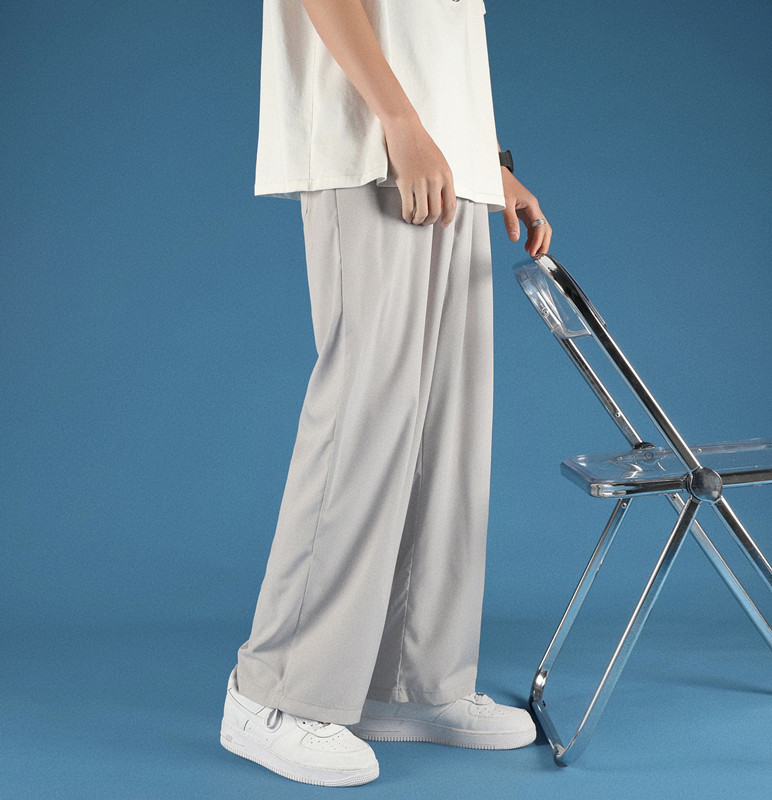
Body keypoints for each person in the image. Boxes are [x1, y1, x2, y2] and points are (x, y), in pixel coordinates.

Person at [220, 0, 552, 787]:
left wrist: (487, 160)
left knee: (446, 431)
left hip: (448, 161)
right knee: (363, 420)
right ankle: (273, 694)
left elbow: (438, 29)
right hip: (374, 145)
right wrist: (400, 123)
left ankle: (410, 682)